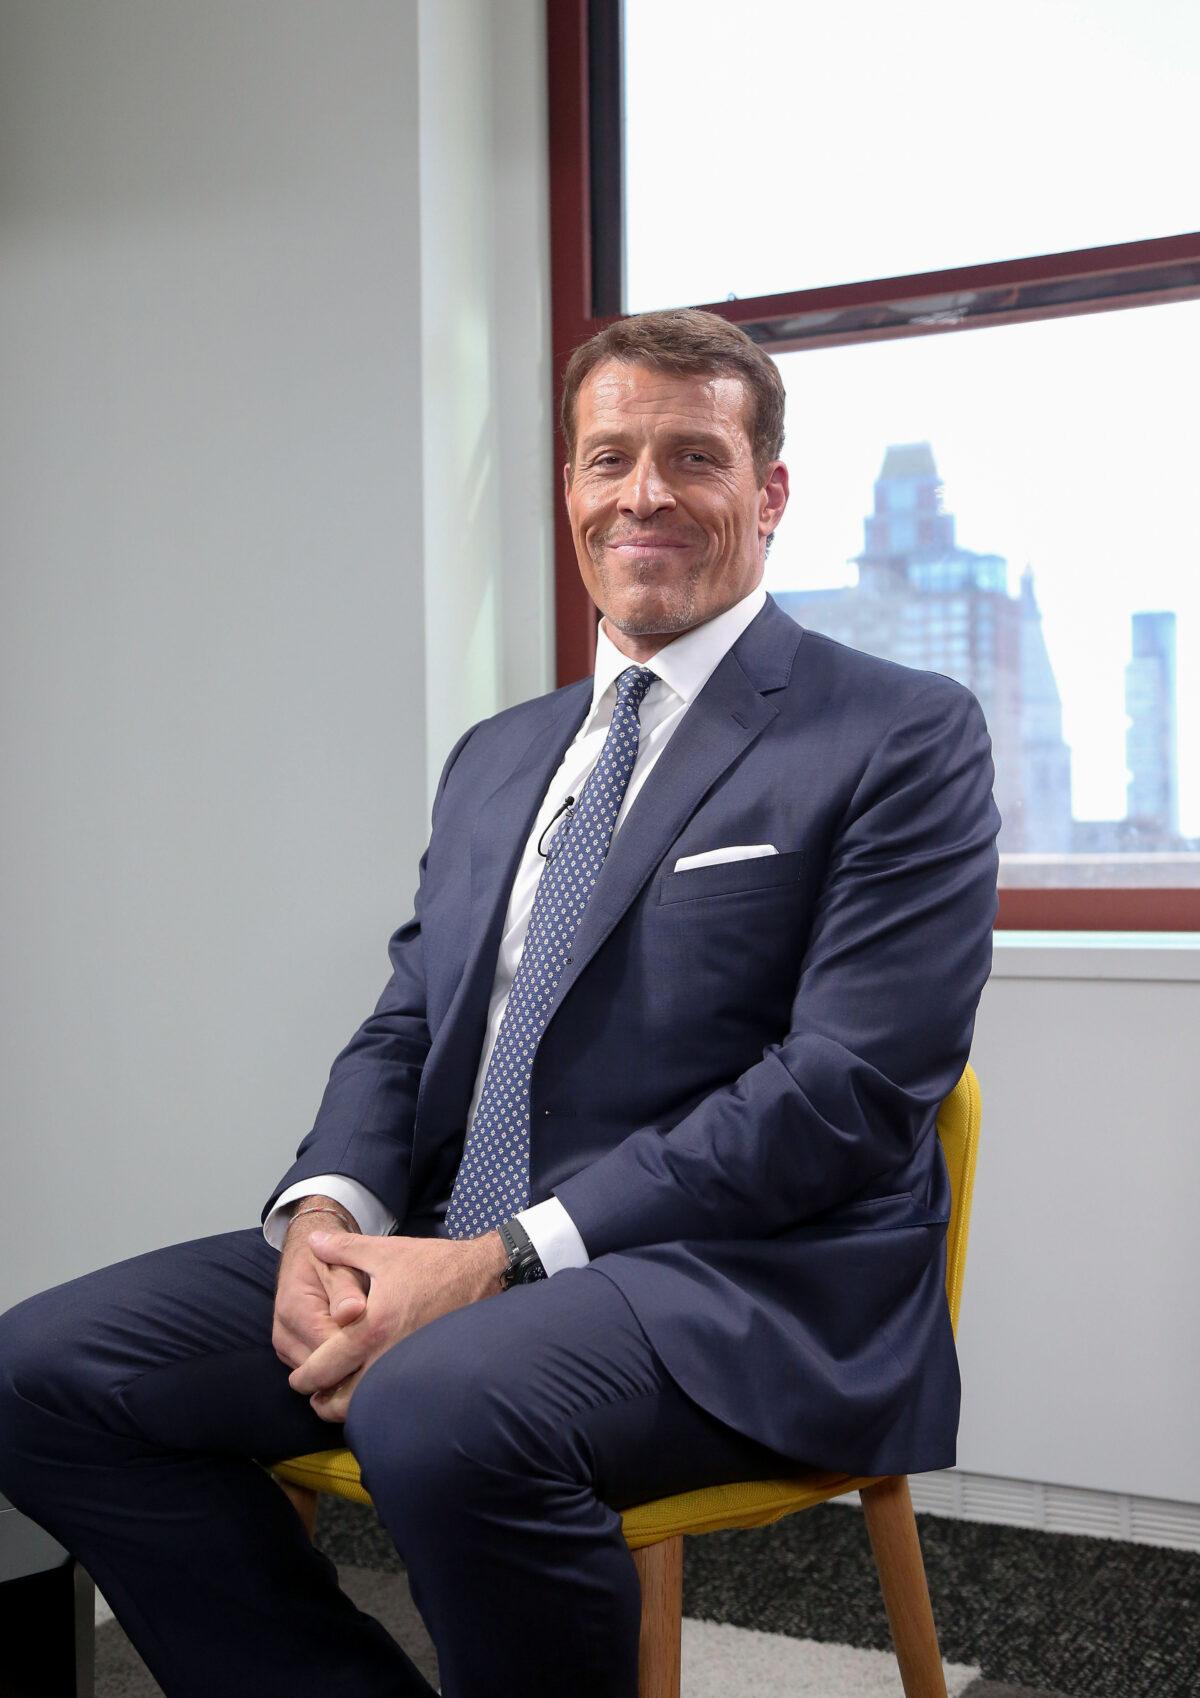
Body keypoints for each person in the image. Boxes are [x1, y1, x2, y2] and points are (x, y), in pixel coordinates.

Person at [0, 308, 1000, 1698]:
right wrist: (326, 1218)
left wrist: (499, 1263)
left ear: (769, 493)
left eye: (694, 457)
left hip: (742, 1280)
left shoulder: (900, 731)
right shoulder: (498, 753)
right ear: (569, 488)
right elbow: (409, 1021)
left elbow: (844, 1090)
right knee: (43, 1369)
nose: (643, 493)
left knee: (440, 1407)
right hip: (446, 1241)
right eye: (608, 457)